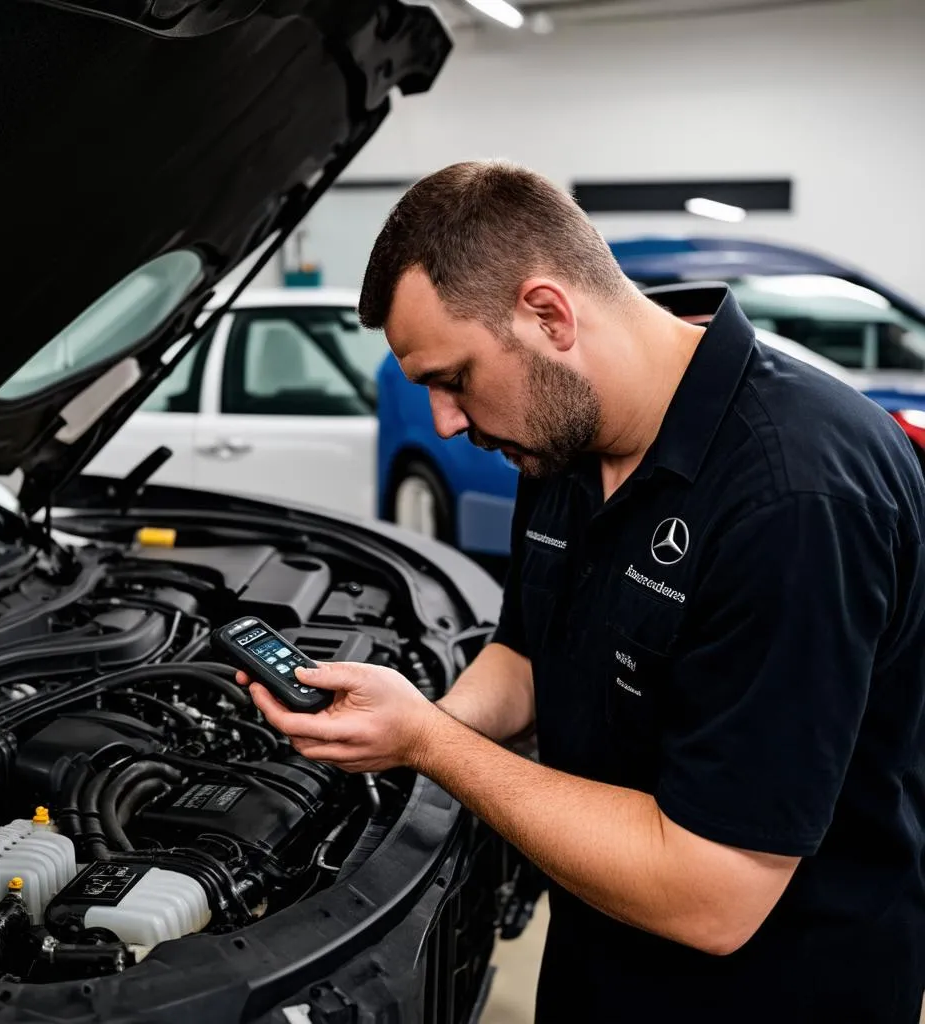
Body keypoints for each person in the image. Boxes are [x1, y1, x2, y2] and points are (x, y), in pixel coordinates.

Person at [236, 161, 925, 1022]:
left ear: (548, 315)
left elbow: (714, 896)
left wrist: (431, 746)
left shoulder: (794, 499)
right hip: (599, 955)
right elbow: (528, 654)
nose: (445, 421)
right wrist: (409, 719)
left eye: (452, 379)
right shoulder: (558, 434)